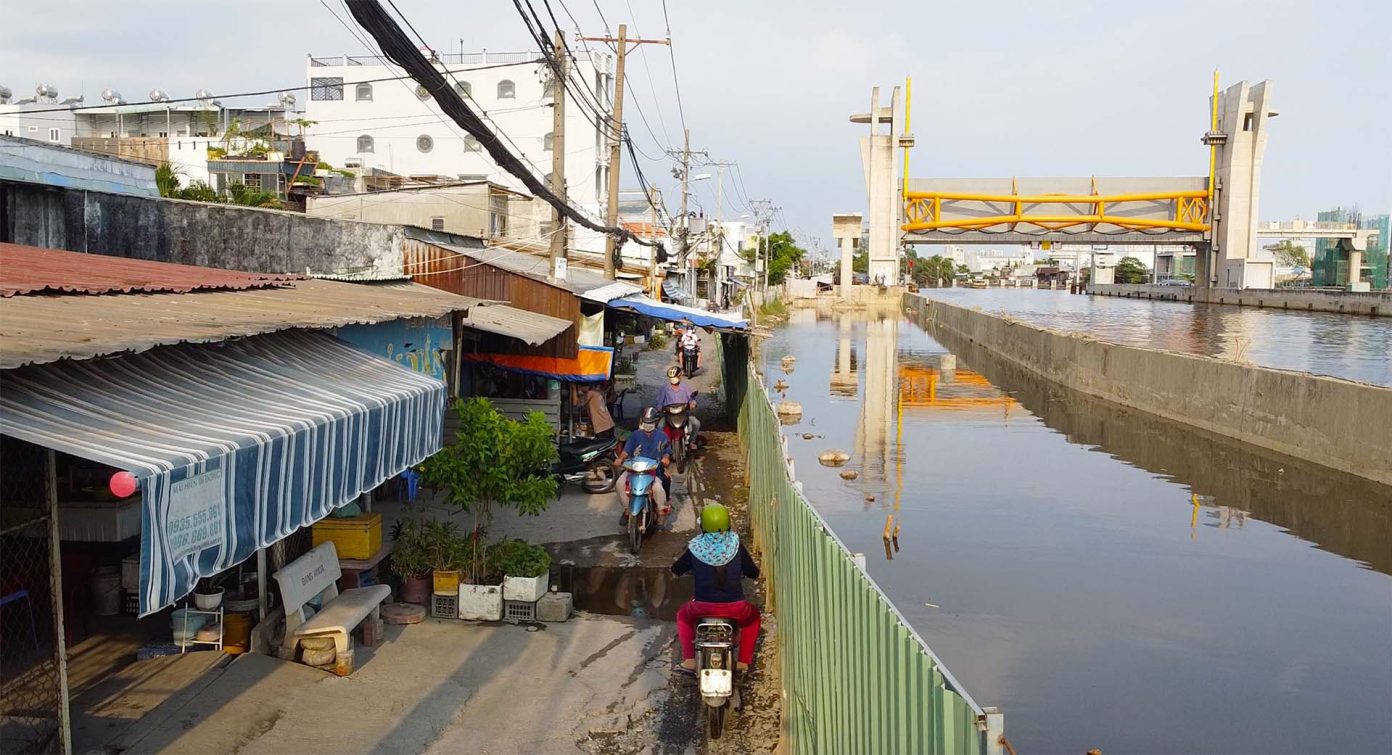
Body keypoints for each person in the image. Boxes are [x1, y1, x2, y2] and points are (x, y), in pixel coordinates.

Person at [672, 504, 760, 673]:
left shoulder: (695, 548)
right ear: (727, 524)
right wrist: (753, 574)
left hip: (701, 607)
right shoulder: (736, 546)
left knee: (683, 616)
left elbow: (676, 569)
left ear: (703, 526)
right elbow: (752, 572)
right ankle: (742, 663)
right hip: (737, 608)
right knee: (753, 620)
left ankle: (689, 661)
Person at [615, 407, 671, 524]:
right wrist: (620, 459)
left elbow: (667, 452)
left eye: (650, 422)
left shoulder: (662, 436)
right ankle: (626, 509)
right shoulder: (635, 435)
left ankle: (660, 509)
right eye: (646, 421)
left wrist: (665, 458)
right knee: (620, 484)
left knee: (657, 488)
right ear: (641, 421)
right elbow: (627, 450)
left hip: (653, 469)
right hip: (634, 468)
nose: (648, 424)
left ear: (656, 422)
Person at [653, 366, 701, 450]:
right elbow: (659, 401)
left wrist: (692, 404)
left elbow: (691, 399)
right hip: (668, 413)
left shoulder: (685, 387)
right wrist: (659, 407)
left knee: (696, 423)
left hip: (683, 413)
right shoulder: (664, 388)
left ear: (680, 376)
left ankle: (691, 441)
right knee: (660, 427)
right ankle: (661, 445)